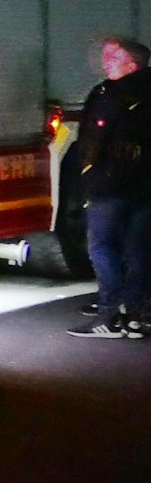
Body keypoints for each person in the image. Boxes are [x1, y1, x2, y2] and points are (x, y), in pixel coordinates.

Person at [67, 37, 151, 339]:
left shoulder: (108, 94)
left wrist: (88, 180)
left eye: (113, 55)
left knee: (102, 246)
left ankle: (109, 314)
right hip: (144, 187)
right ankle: (136, 314)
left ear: (132, 63)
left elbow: (93, 142)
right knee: (138, 249)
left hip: (110, 185)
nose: (105, 61)